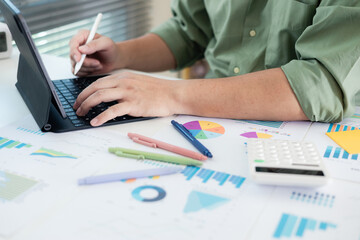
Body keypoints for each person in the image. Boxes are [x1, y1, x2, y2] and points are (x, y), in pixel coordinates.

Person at [70, 0, 360, 127]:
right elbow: (189, 31)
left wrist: (170, 94)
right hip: (210, 117)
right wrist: (120, 55)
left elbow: (321, 84)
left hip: (311, 133)